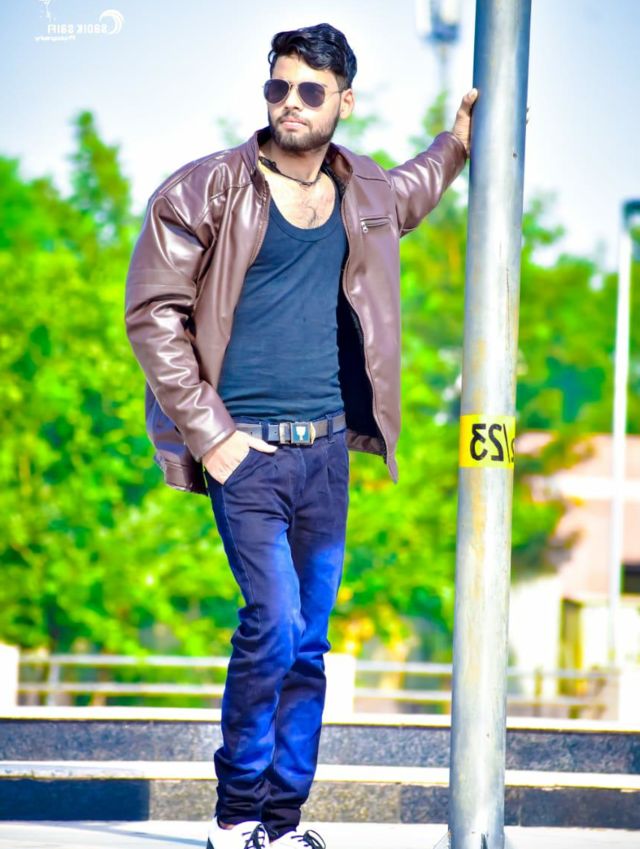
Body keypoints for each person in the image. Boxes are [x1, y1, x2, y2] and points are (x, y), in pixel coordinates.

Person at [125, 21, 476, 849]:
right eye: (278, 87)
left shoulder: (364, 194)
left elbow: (416, 187)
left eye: (310, 90)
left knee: (309, 646)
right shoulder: (205, 190)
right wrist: (211, 436)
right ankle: (235, 815)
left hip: (325, 454)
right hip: (243, 451)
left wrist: (458, 143)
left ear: (343, 102)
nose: (290, 102)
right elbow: (153, 315)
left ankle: (280, 824)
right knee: (274, 623)